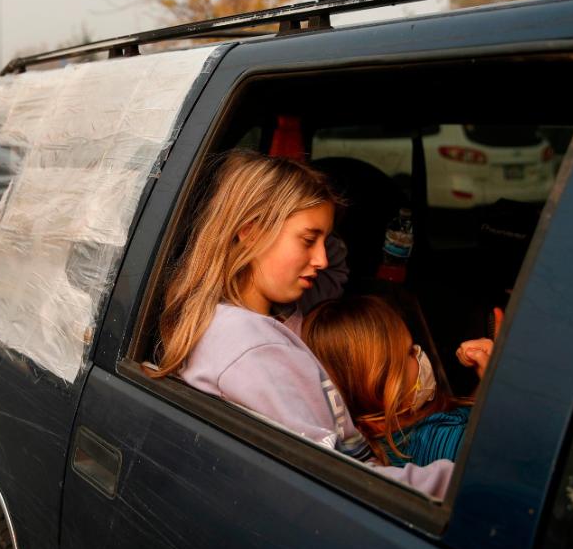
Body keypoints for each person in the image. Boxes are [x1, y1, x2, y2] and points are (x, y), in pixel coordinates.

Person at [151, 148, 452, 497]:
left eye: (326, 241)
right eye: (309, 240)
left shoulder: (273, 318)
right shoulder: (251, 348)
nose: (323, 258)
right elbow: (339, 485)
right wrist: (459, 484)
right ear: (250, 231)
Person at [302, 295, 492, 467]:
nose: (419, 353)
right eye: (410, 352)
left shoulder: (390, 438)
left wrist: (486, 380)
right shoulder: (435, 443)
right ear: (380, 382)